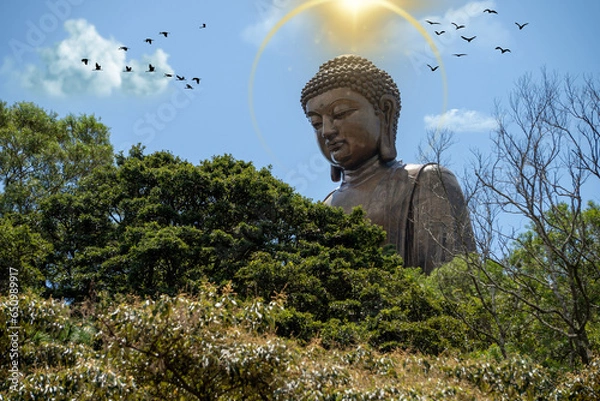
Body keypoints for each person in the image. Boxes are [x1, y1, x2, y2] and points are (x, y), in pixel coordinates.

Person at [301, 54, 475, 274]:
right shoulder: (323, 210)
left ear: (385, 111)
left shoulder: (425, 182)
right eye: (316, 123)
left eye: (341, 113)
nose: (326, 131)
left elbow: (455, 284)